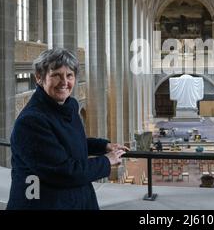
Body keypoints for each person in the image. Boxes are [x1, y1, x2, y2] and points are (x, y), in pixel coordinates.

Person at [7, 48, 128, 210]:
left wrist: (103, 146)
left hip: (70, 198)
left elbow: (67, 142)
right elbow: (63, 172)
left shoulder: (68, 106)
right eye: (56, 75)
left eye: (69, 75)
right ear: (39, 77)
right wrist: (106, 161)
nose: (64, 82)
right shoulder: (31, 121)